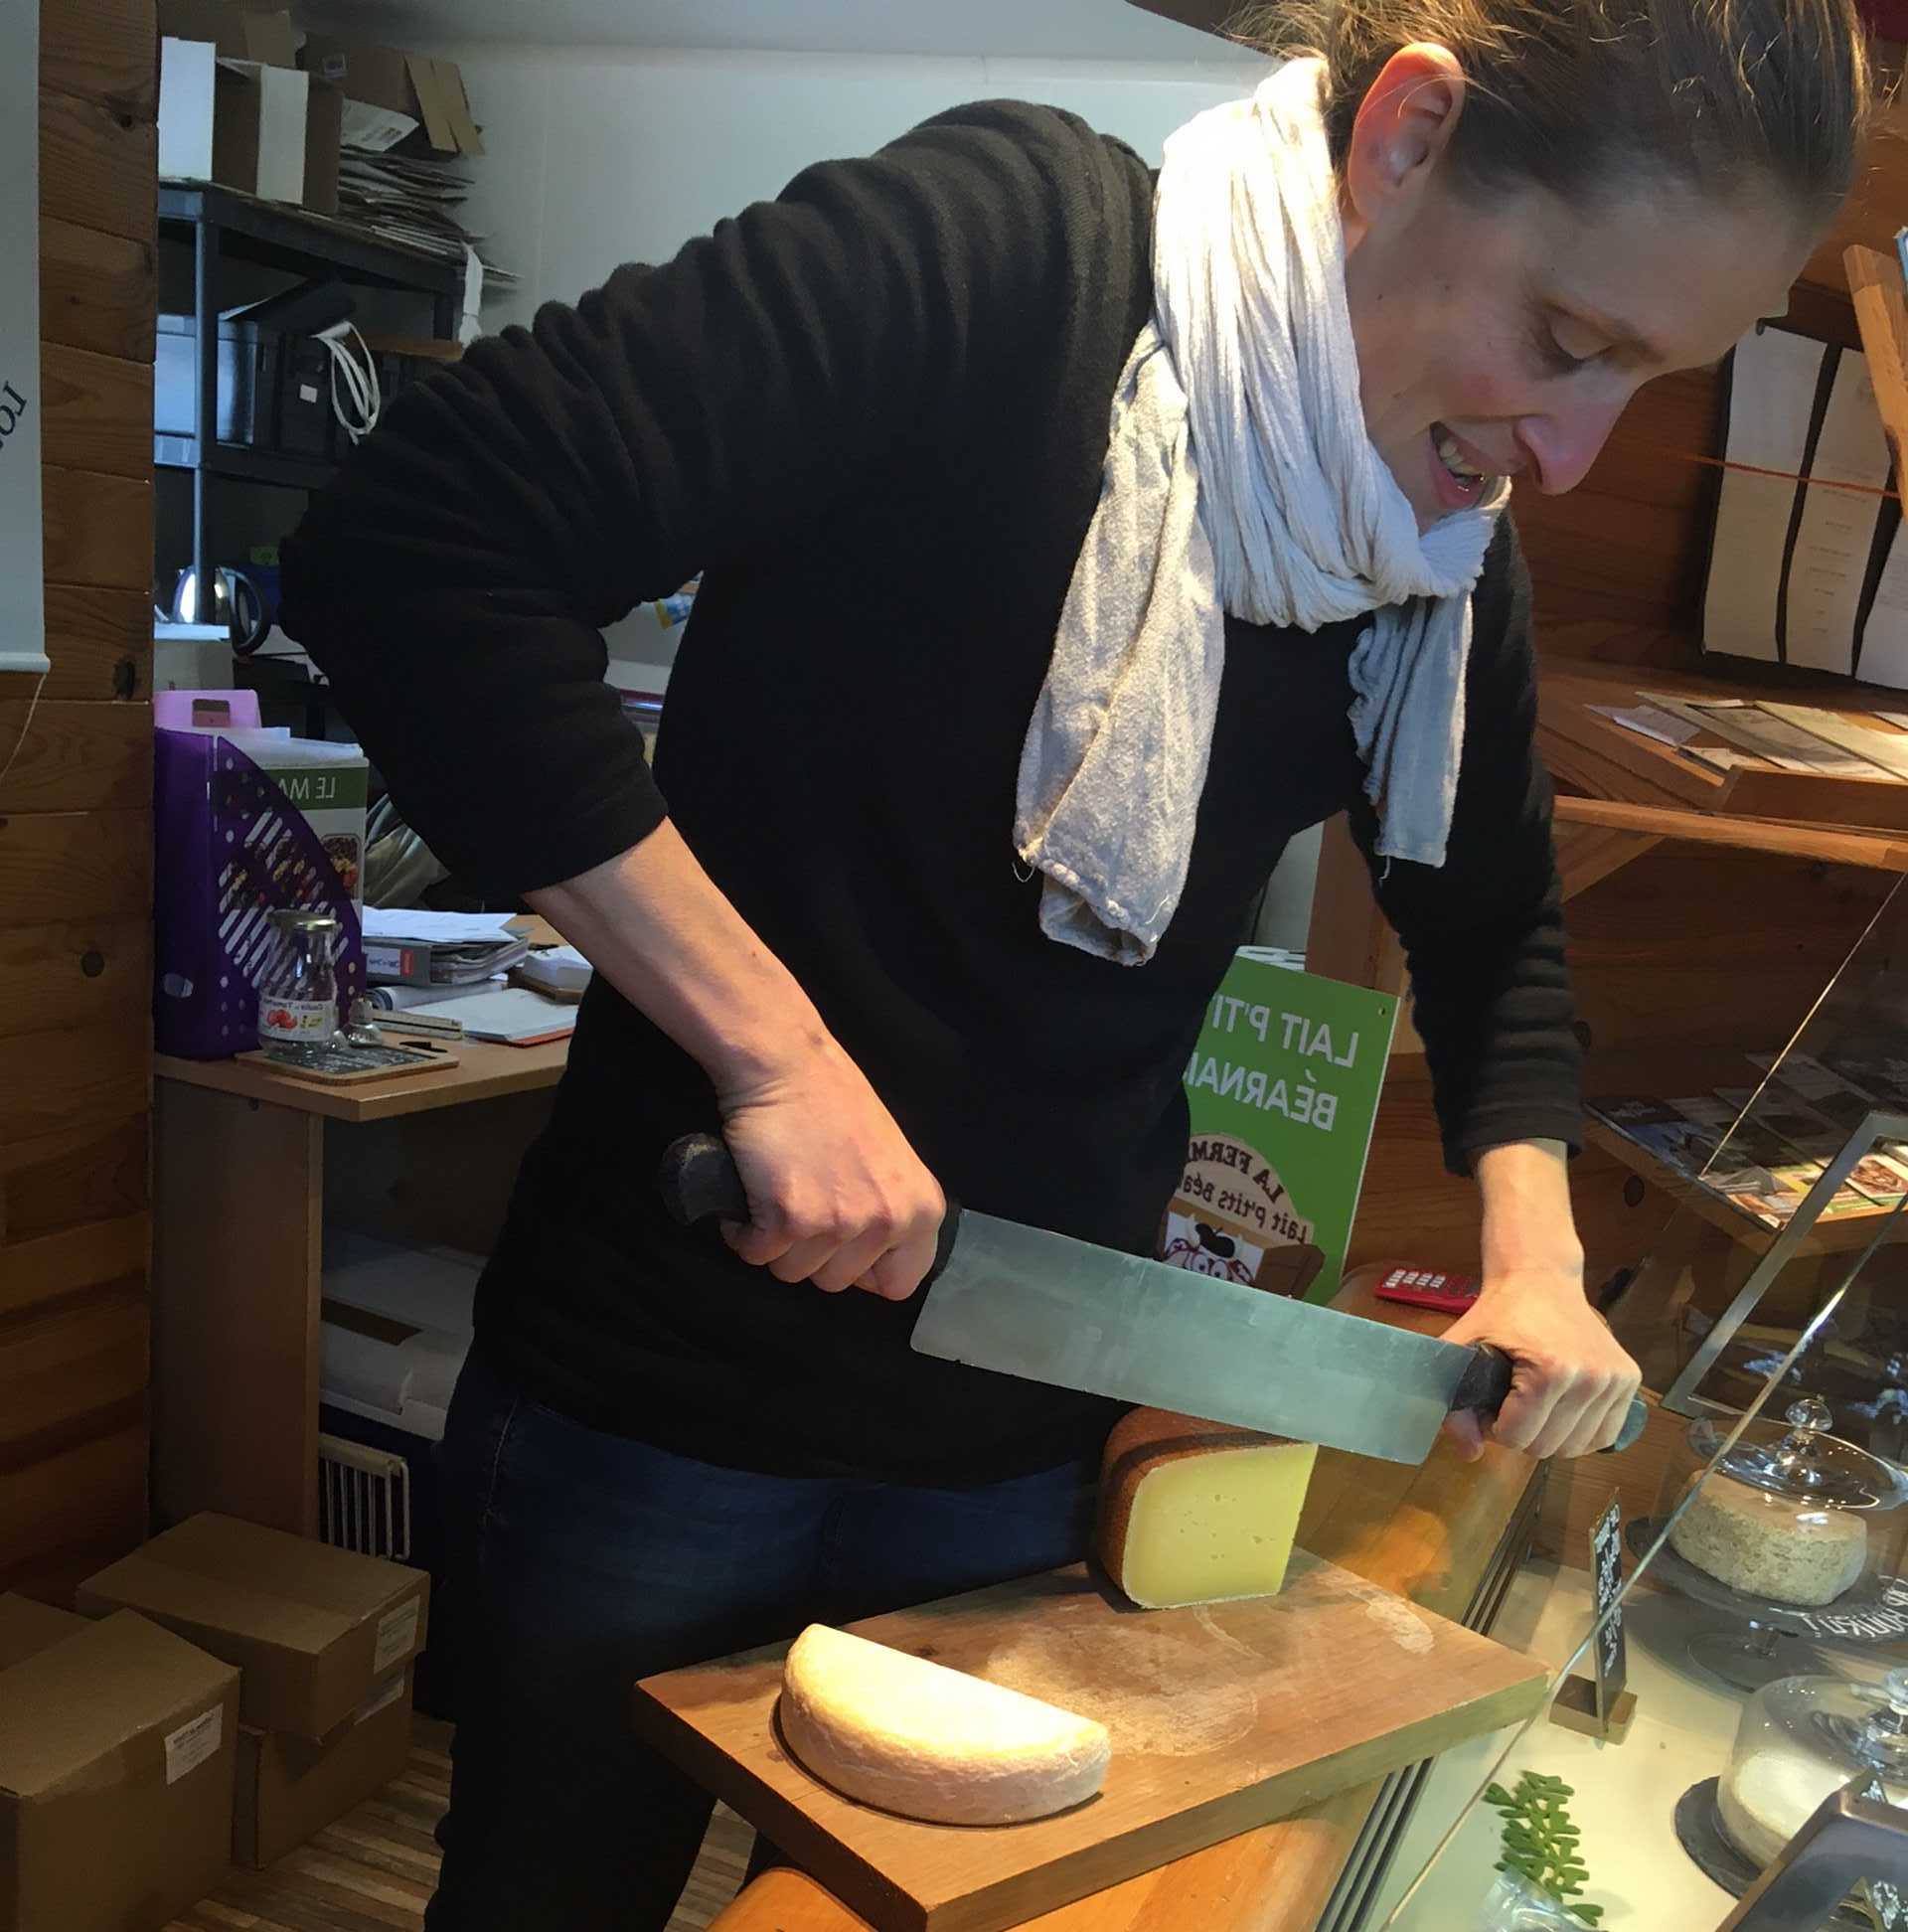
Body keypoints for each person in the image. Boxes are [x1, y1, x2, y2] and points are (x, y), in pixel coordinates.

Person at [279, 0, 1865, 1921]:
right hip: (659, 1386)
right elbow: (420, 545)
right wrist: (774, 1059)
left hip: (1012, 1438)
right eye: (1570, 341)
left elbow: (1493, 918)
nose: (1578, 454)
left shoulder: (1441, 548)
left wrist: (1535, 1254)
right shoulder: (1005, 253)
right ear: (1410, 140)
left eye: (1655, 383)